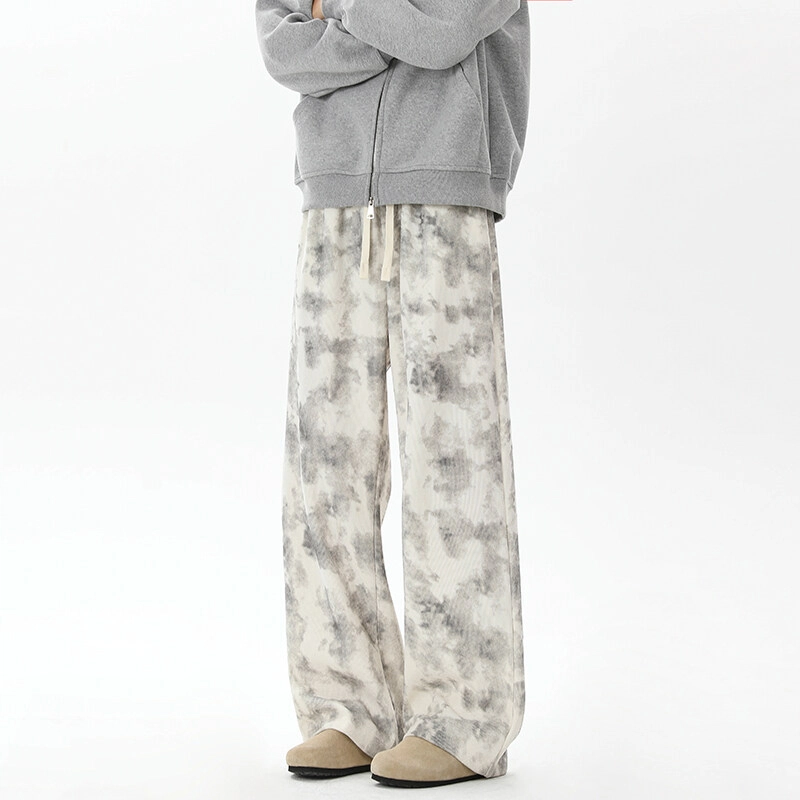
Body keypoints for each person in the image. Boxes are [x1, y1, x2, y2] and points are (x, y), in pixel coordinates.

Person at [254, 0, 530, 787]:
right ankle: (349, 704)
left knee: (454, 462)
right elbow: (282, 47)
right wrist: (388, 23)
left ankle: (464, 718)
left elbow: (441, 33)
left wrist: (336, 9)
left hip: (446, 192)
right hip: (334, 195)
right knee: (325, 462)